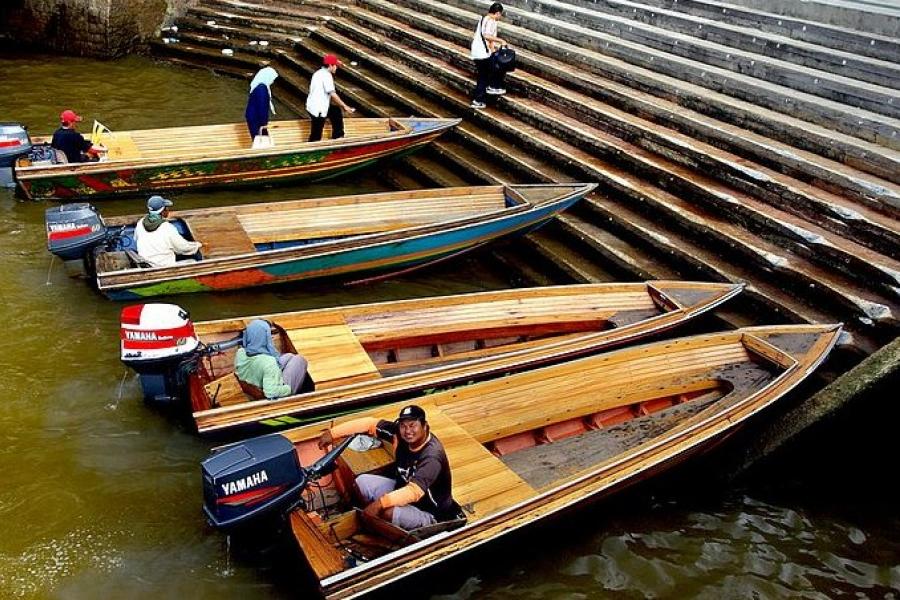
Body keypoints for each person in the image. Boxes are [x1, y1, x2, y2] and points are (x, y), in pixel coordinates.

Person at [317, 404, 456, 530]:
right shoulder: (400, 434)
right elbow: (369, 424)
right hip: (401, 489)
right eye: (403, 425)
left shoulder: (432, 456)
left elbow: (413, 492)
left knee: (387, 511)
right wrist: (333, 433)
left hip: (430, 512)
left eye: (413, 425)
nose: (408, 431)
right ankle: (373, 523)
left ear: (425, 426)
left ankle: (387, 529)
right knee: (362, 482)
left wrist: (379, 504)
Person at [234, 319, 309, 400]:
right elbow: (270, 392)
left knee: (289, 356)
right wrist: (287, 389)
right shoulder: (269, 362)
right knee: (299, 360)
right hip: (269, 396)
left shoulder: (241, 352)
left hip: (254, 381)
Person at [133, 195, 203, 268]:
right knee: (193, 260)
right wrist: (197, 245)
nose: (168, 210)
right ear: (163, 211)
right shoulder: (167, 227)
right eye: (167, 208)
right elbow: (182, 248)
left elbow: (135, 239)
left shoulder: (140, 223)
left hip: (146, 264)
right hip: (163, 266)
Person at [306, 54, 356, 142]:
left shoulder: (318, 73)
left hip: (311, 105)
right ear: (330, 66)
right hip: (319, 110)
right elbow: (333, 94)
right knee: (316, 134)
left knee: (335, 111)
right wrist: (345, 106)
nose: (337, 68)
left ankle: (338, 135)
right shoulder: (327, 76)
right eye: (335, 66)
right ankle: (312, 147)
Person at [469, 3, 507, 109]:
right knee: (495, 69)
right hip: (482, 53)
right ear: (498, 13)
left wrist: (493, 50)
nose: (500, 17)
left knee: (483, 75)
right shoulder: (491, 21)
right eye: (500, 15)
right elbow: (486, 35)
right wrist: (501, 41)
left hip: (477, 52)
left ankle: (478, 100)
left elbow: (488, 39)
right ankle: (493, 87)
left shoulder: (484, 19)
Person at [245, 66, 279, 141]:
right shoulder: (262, 89)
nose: (273, 81)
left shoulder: (258, 84)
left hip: (252, 115)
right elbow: (262, 108)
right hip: (256, 118)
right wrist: (264, 123)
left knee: (259, 137)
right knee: (260, 138)